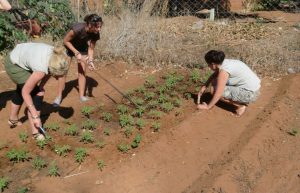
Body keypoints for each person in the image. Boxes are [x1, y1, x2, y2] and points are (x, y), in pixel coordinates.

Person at [5, 42, 69, 140]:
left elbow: (48, 72)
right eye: (57, 75)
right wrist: (36, 116)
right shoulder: (41, 69)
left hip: (21, 56)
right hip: (14, 64)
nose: (57, 78)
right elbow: (25, 92)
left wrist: (41, 85)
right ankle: (35, 132)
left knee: (25, 86)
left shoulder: (56, 56)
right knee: (36, 93)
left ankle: (13, 119)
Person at [53, 14, 103, 107]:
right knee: (63, 71)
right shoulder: (77, 29)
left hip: (82, 48)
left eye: (100, 26)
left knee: (82, 71)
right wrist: (76, 53)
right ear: (90, 25)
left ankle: (81, 96)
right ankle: (59, 97)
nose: (99, 29)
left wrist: (90, 61)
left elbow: (91, 49)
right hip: (69, 47)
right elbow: (65, 41)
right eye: (97, 27)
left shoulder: (96, 34)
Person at [197, 50, 261, 116]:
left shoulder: (224, 71)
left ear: (213, 64)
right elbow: (215, 74)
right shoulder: (225, 62)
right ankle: (239, 99)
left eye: (208, 65)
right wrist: (205, 86)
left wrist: (208, 107)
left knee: (214, 90)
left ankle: (240, 106)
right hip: (255, 89)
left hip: (250, 94)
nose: (208, 67)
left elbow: (218, 94)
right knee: (215, 81)